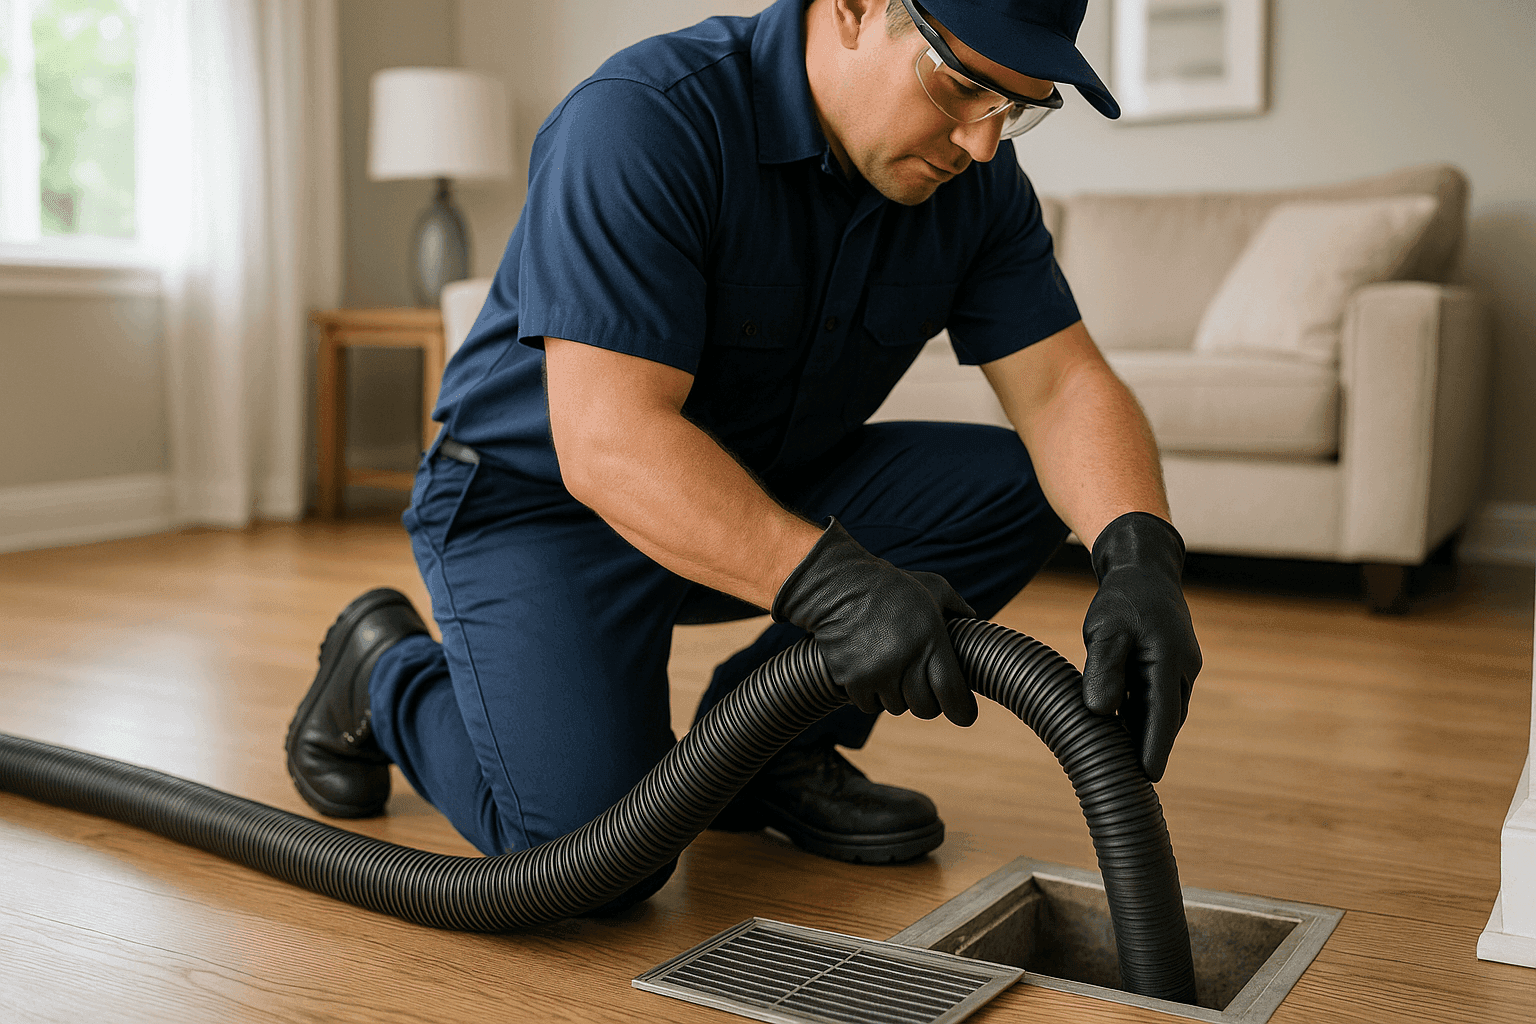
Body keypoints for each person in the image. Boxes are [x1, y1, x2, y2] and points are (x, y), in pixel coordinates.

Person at [286, 0, 1202, 912]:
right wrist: (836, 592)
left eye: (1016, 107)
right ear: (855, 8)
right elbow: (608, 441)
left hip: (758, 488)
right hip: (536, 506)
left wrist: (1141, 556)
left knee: (1008, 491)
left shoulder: (976, 185)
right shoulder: (643, 119)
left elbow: (1063, 386)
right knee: (598, 858)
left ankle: (766, 749)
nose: (984, 142)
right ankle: (383, 669)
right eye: (963, 86)